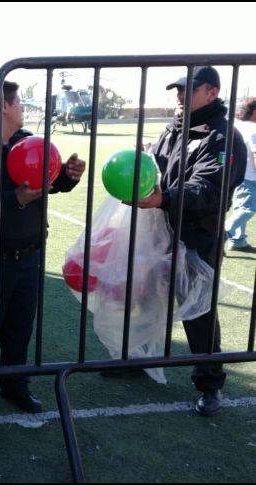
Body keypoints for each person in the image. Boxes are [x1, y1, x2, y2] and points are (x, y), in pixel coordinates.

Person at [0, 80, 85, 420]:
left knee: (20, 326)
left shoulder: (29, 142)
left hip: (28, 256)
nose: (22, 108)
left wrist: (67, 176)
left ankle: (15, 383)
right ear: (5, 107)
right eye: (19, 102)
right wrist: (15, 199)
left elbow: (47, 183)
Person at [137, 66, 247, 416]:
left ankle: (210, 383)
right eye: (178, 89)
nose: (180, 95)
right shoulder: (173, 131)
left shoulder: (223, 137)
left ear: (212, 92)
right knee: (145, 298)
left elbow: (209, 189)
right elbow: (157, 169)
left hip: (197, 238)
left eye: (189, 89)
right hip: (159, 232)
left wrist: (165, 198)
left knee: (198, 311)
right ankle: (138, 358)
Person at [224, 97, 256, 253]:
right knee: (248, 209)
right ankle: (220, 235)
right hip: (250, 176)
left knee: (240, 207)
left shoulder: (235, 127)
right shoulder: (254, 130)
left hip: (235, 174)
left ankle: (238, 240)